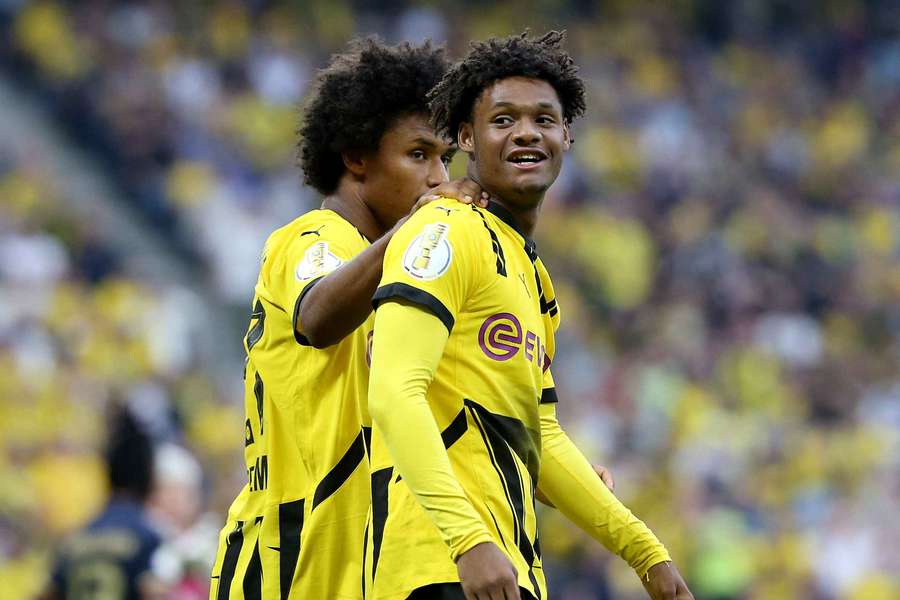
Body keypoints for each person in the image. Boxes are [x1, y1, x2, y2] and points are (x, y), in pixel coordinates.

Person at [366, 31, 694, 600]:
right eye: (503, 119)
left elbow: (540, 437)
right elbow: (394, 390)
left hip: (509, 567)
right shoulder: (445, 230)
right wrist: (468, 540)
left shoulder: (530, 275)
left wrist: (647, 556)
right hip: (441, 565)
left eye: (544, 118)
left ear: (567, 135)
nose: (526, 131)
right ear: (465, 136)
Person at [208, 38, 489, 600]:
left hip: (357, 554)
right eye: (418, 155)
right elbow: (317, 315)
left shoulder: (402, 277)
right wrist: (415, 228)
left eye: (444, 160)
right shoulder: (310, 239)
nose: (438, 178)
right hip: (285, 553)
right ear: (357, 157)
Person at [45, 409, 167, 600]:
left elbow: (47, 594)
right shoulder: (148, 536)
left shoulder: (75, 538)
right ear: (148, 478)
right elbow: (155, 593)